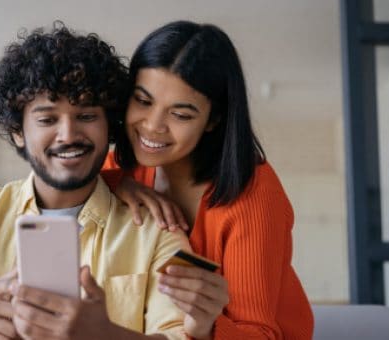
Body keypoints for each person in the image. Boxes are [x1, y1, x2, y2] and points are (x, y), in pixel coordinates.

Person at [0, 22, 190, 340]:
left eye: (87, 116)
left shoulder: (156, 231)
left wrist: (105, 334)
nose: (68, 135)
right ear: (18, 132)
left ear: (110, 125)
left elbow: (179, 335)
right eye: (47, 119)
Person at [103, 20, 314, 339]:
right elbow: (69, 186)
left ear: (213, 119)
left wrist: (206, 325)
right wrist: (118, 182)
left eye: (181, 114)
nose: (152, 126)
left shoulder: (253, 193)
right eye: (143, 101)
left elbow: (260, 332)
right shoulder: (123, 165)